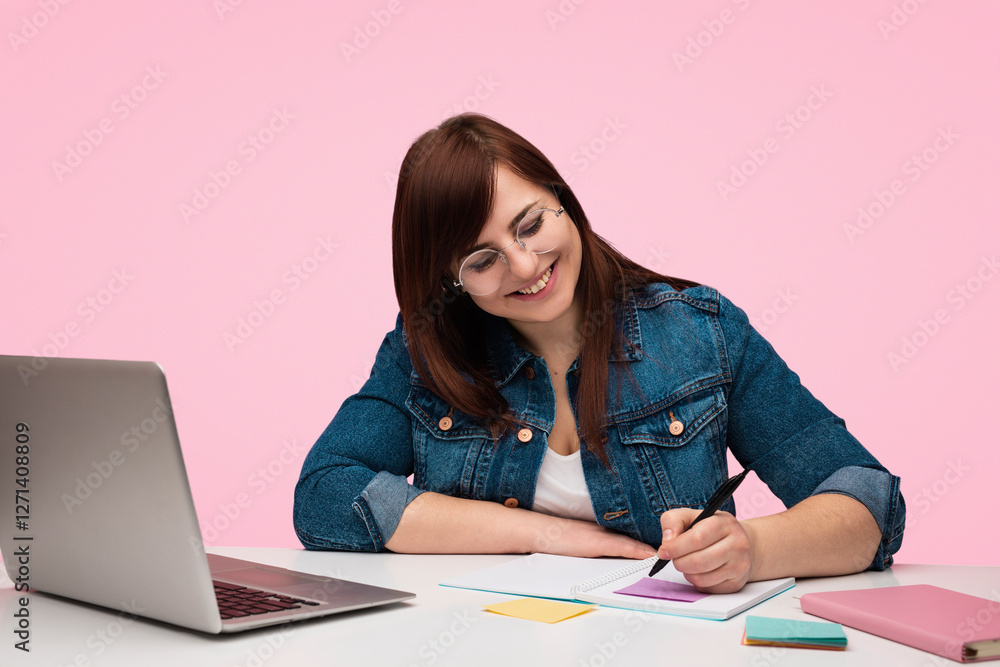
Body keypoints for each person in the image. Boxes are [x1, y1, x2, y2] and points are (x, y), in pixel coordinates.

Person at [294, 113, 905, 594]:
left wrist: (753, 549)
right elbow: (325, 495)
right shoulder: (423, 353)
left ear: (561, 197)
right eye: (482, 260)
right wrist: (546, 535)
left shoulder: (701, 334)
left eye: (530, 224)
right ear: (451, 282)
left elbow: (869, 502)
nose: (525, 266)